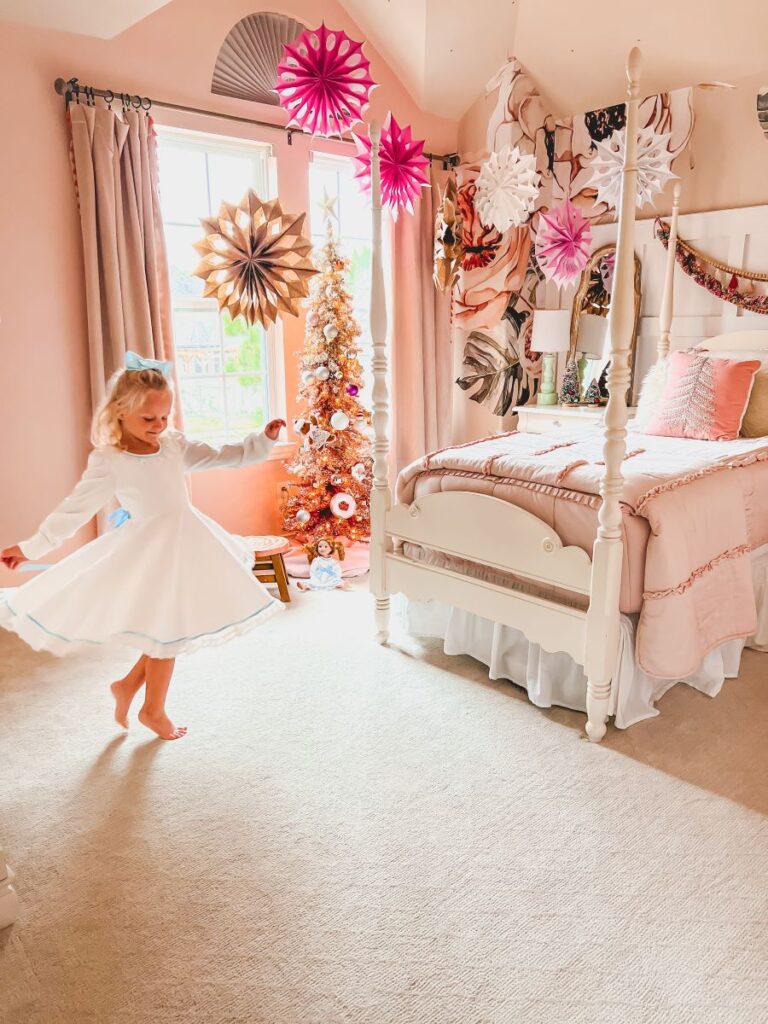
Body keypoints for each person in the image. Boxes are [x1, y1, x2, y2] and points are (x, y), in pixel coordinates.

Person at [0, 352, 286, 740]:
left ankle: (129, 688)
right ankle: (153, 710)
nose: (159, 426)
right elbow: (74, 511)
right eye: (149, 419)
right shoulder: (111, 460)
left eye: (165, 417)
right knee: (167, 629)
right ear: (119, 412)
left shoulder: (173, 446)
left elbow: (223, 456)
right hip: (150, 552)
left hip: (187, 542)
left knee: (166, 629)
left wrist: (261, 441)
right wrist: (31, 547)